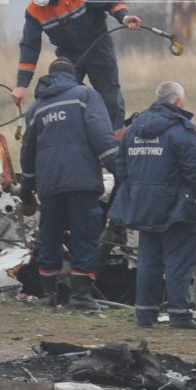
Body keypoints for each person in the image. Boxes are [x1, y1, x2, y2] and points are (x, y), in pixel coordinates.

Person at [18, 58, 118, 310]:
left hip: (49, 183)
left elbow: (27, 152)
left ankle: (48, 296)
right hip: (81, 179)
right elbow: (102, 137)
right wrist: (120, 169)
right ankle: (80, 296)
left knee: (50, 235)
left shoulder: (35, 108)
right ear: (73, 76)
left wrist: (27, 188)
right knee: (84, 233)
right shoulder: (85, 96)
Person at [111, 82, 196, 330]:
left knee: (148, 260)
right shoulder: (181, 131)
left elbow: (120, 166)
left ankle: (145, 314)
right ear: (177, 102)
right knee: (178, 260)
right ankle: (179, 314)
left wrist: (136, 192)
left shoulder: (133, 129)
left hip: (143, 206)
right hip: (176, 208)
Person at [11, 0, 141, 126]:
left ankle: (117, 136)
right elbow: (29, 46)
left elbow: (110, 1)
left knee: (109, 96)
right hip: (69, 56)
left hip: (98, 46)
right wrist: (21, 85)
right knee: (63, 96)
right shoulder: (33, 11)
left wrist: (124, 17)